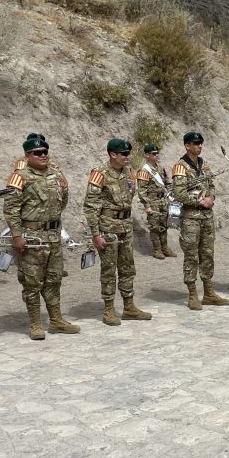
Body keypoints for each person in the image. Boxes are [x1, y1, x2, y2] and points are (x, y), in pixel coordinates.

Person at [3, 134, 80, 340]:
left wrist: (52, 222)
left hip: (53, 235)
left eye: (45, 152)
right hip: (31, 238)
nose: (43, 155)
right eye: (37, 153)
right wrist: (18, 236)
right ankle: (36, 324)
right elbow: (11, 209)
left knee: (54, 279)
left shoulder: (56, 174)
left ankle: (56, 320)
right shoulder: (19, 177)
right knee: (32, 282)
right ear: (28, 155)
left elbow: (63, 201)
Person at [84, 138, 152, 327]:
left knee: (127, 267)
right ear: (113, 154)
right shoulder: (100, 174)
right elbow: (90, 206)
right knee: (108, 270)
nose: (127, 157)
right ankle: (108, 310)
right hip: (108, 227)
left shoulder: (130, 173)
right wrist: (96, 234)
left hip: (125, 226)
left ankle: (129, 307)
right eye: (124, 154)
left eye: (128, 154)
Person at [171, 131, 229, 310]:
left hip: (206, 216)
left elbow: (211, 186)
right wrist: (200, 201)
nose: (200, 146)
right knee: (191, 256)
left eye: (201, 143)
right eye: (196, 143)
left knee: (207, 254)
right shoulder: (180, 167)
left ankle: (209, 292)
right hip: (190, 218)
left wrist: (211, 198)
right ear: (187, 146)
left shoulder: (204, 165)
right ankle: (192, 294)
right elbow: (179, 193)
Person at [136, 143, 177, 260]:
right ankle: (157, 249)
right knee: (154, 226)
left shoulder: (160, 168)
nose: (156, 155)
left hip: (163, 200)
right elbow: (142, 191)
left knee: (164, 224)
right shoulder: (144, 171)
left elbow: (167, 183)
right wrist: (147, 205)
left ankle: (165, 248)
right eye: (154, 154)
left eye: (157, 153)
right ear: (147, 155)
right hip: (152, 201)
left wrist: (172, 194)